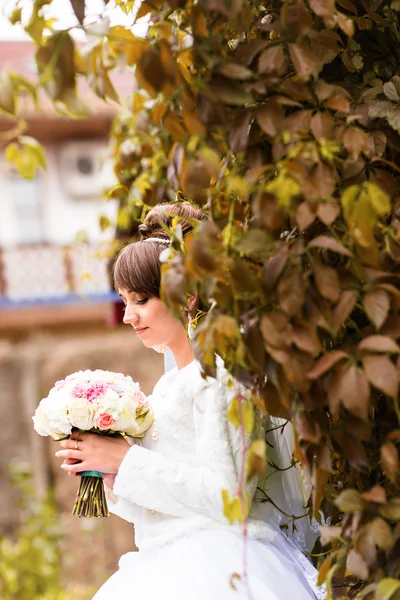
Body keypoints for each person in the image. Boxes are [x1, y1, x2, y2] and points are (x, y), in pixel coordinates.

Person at [56, 202, 325, 600]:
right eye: (124, 301)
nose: (128, 315)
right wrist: (109, 477)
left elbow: (227, 497)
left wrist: (125, 461)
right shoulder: (166, 389)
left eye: (141, 300)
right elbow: (166, 507)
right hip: (164, 560)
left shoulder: (220, 379)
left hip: (215, 565)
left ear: (190, 296)